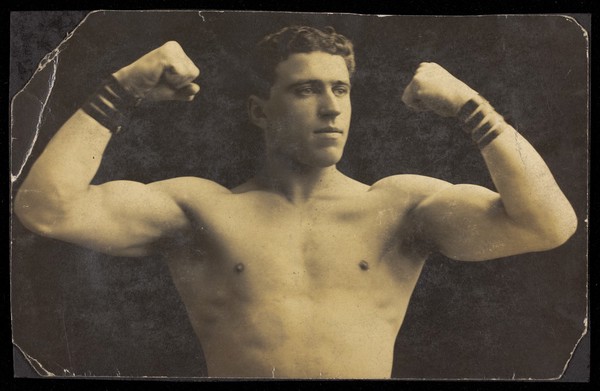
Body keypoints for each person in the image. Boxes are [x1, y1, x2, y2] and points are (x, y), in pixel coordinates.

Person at [14, 25, 577, 379]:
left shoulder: (399, 207)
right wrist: (126, 86)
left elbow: (547, 225)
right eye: (306, 90)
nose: (331, 108)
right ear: (261, 112)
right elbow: (46, 209)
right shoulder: (201, 210)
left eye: (341, 89)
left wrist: (469, 106)